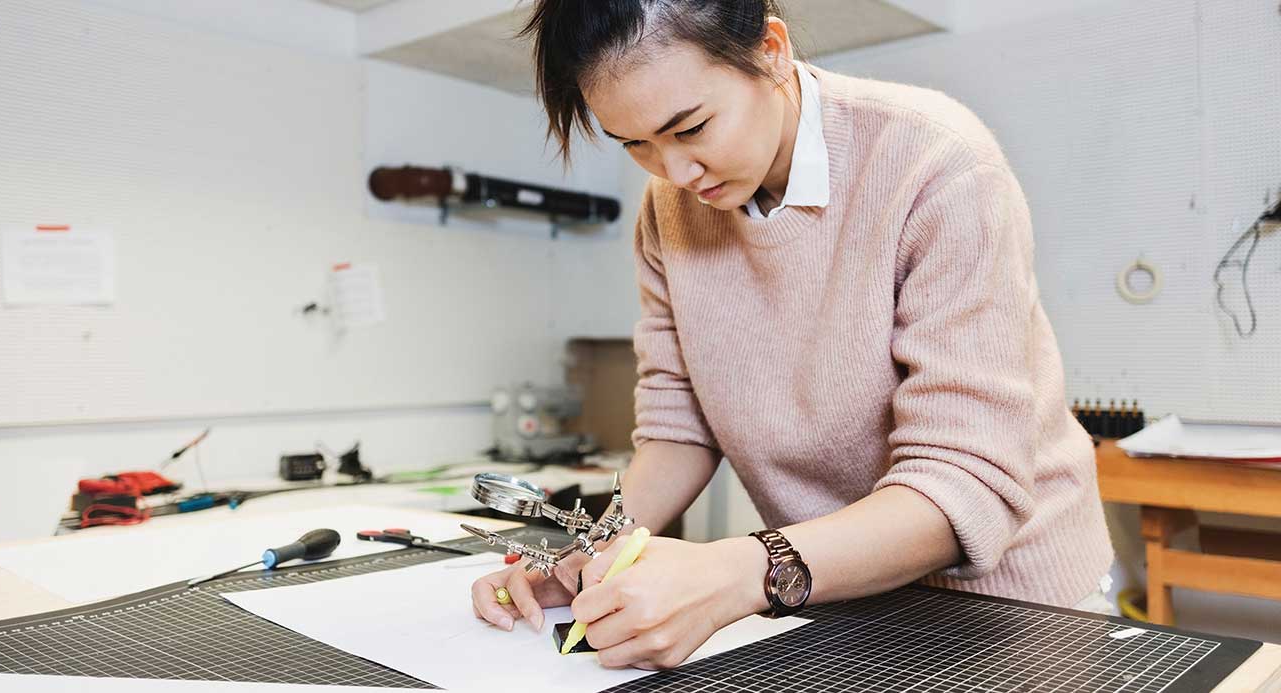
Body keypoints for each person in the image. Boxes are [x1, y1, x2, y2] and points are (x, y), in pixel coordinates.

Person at [470, 0, 1115, 671]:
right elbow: (678, 425)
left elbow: (964, 481)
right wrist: (597, 549)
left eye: (690, 127)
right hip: (834, 594)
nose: (676, 173)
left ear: (771, 51)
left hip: (1013, 604)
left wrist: (741, 571)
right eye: (635, 144)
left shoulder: (935, 161)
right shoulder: (669, 210)